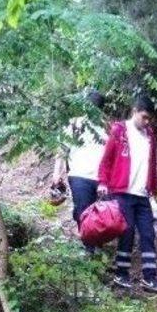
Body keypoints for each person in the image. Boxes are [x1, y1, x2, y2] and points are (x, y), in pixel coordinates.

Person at [97, 94, 157, 293]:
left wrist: (154, 190)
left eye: (149, 119)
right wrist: (102, 182)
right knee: (126, 232)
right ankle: (121, 273)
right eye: (144, 117)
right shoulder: (119, 130)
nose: (147, 122)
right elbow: (107, 159)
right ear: (134, 111)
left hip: (143, 194)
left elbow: (151, 165)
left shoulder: (150, 136)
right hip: (122, 191)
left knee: (147, 233)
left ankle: (150, 278)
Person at [51, 90, 107, 246]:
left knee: (100, 213)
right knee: (83, 211)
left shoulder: (107, 127)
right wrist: (57, 173)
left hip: (101, 178)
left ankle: (96, 244)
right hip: (79, 175)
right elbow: (62, 151)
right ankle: (88, 248)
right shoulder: (73, 124)